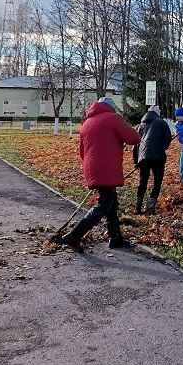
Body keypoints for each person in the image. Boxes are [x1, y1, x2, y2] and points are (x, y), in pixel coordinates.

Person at [61, 97, 141, 251]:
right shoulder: (113, 118)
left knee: (111, 201)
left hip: (91, 168)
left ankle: (115, 237)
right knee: (104, 203)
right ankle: (74, 236)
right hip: (107, 167)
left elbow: (82, 152)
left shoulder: (86, 123)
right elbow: (134, 138)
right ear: (111, 107)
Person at [132, 105, 173, 215]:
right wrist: (162, 147)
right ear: (156, 112)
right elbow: (168, 139)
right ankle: (150, 209)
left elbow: (136, 144)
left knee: (143, 181)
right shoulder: (161, 122)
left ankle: (138, 207)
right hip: (158, 157)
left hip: (143, 157)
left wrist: (136, 161)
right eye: (159, 110)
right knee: (157, 182)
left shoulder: (141, 125)